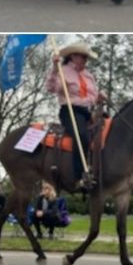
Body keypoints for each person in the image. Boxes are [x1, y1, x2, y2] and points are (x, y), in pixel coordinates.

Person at [45, 41, 107, 191]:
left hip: (88, 112)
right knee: (81, 136)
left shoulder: (88, 75)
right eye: (83, 56)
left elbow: (91, 95)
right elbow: (52, 88)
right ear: (73, 56)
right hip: (70, 111)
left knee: (106, 133)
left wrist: (98, 97)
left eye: (86, 57)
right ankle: (80, 177)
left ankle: (100, 170)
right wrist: (54, 68)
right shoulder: (62, 70)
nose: (85, 60)